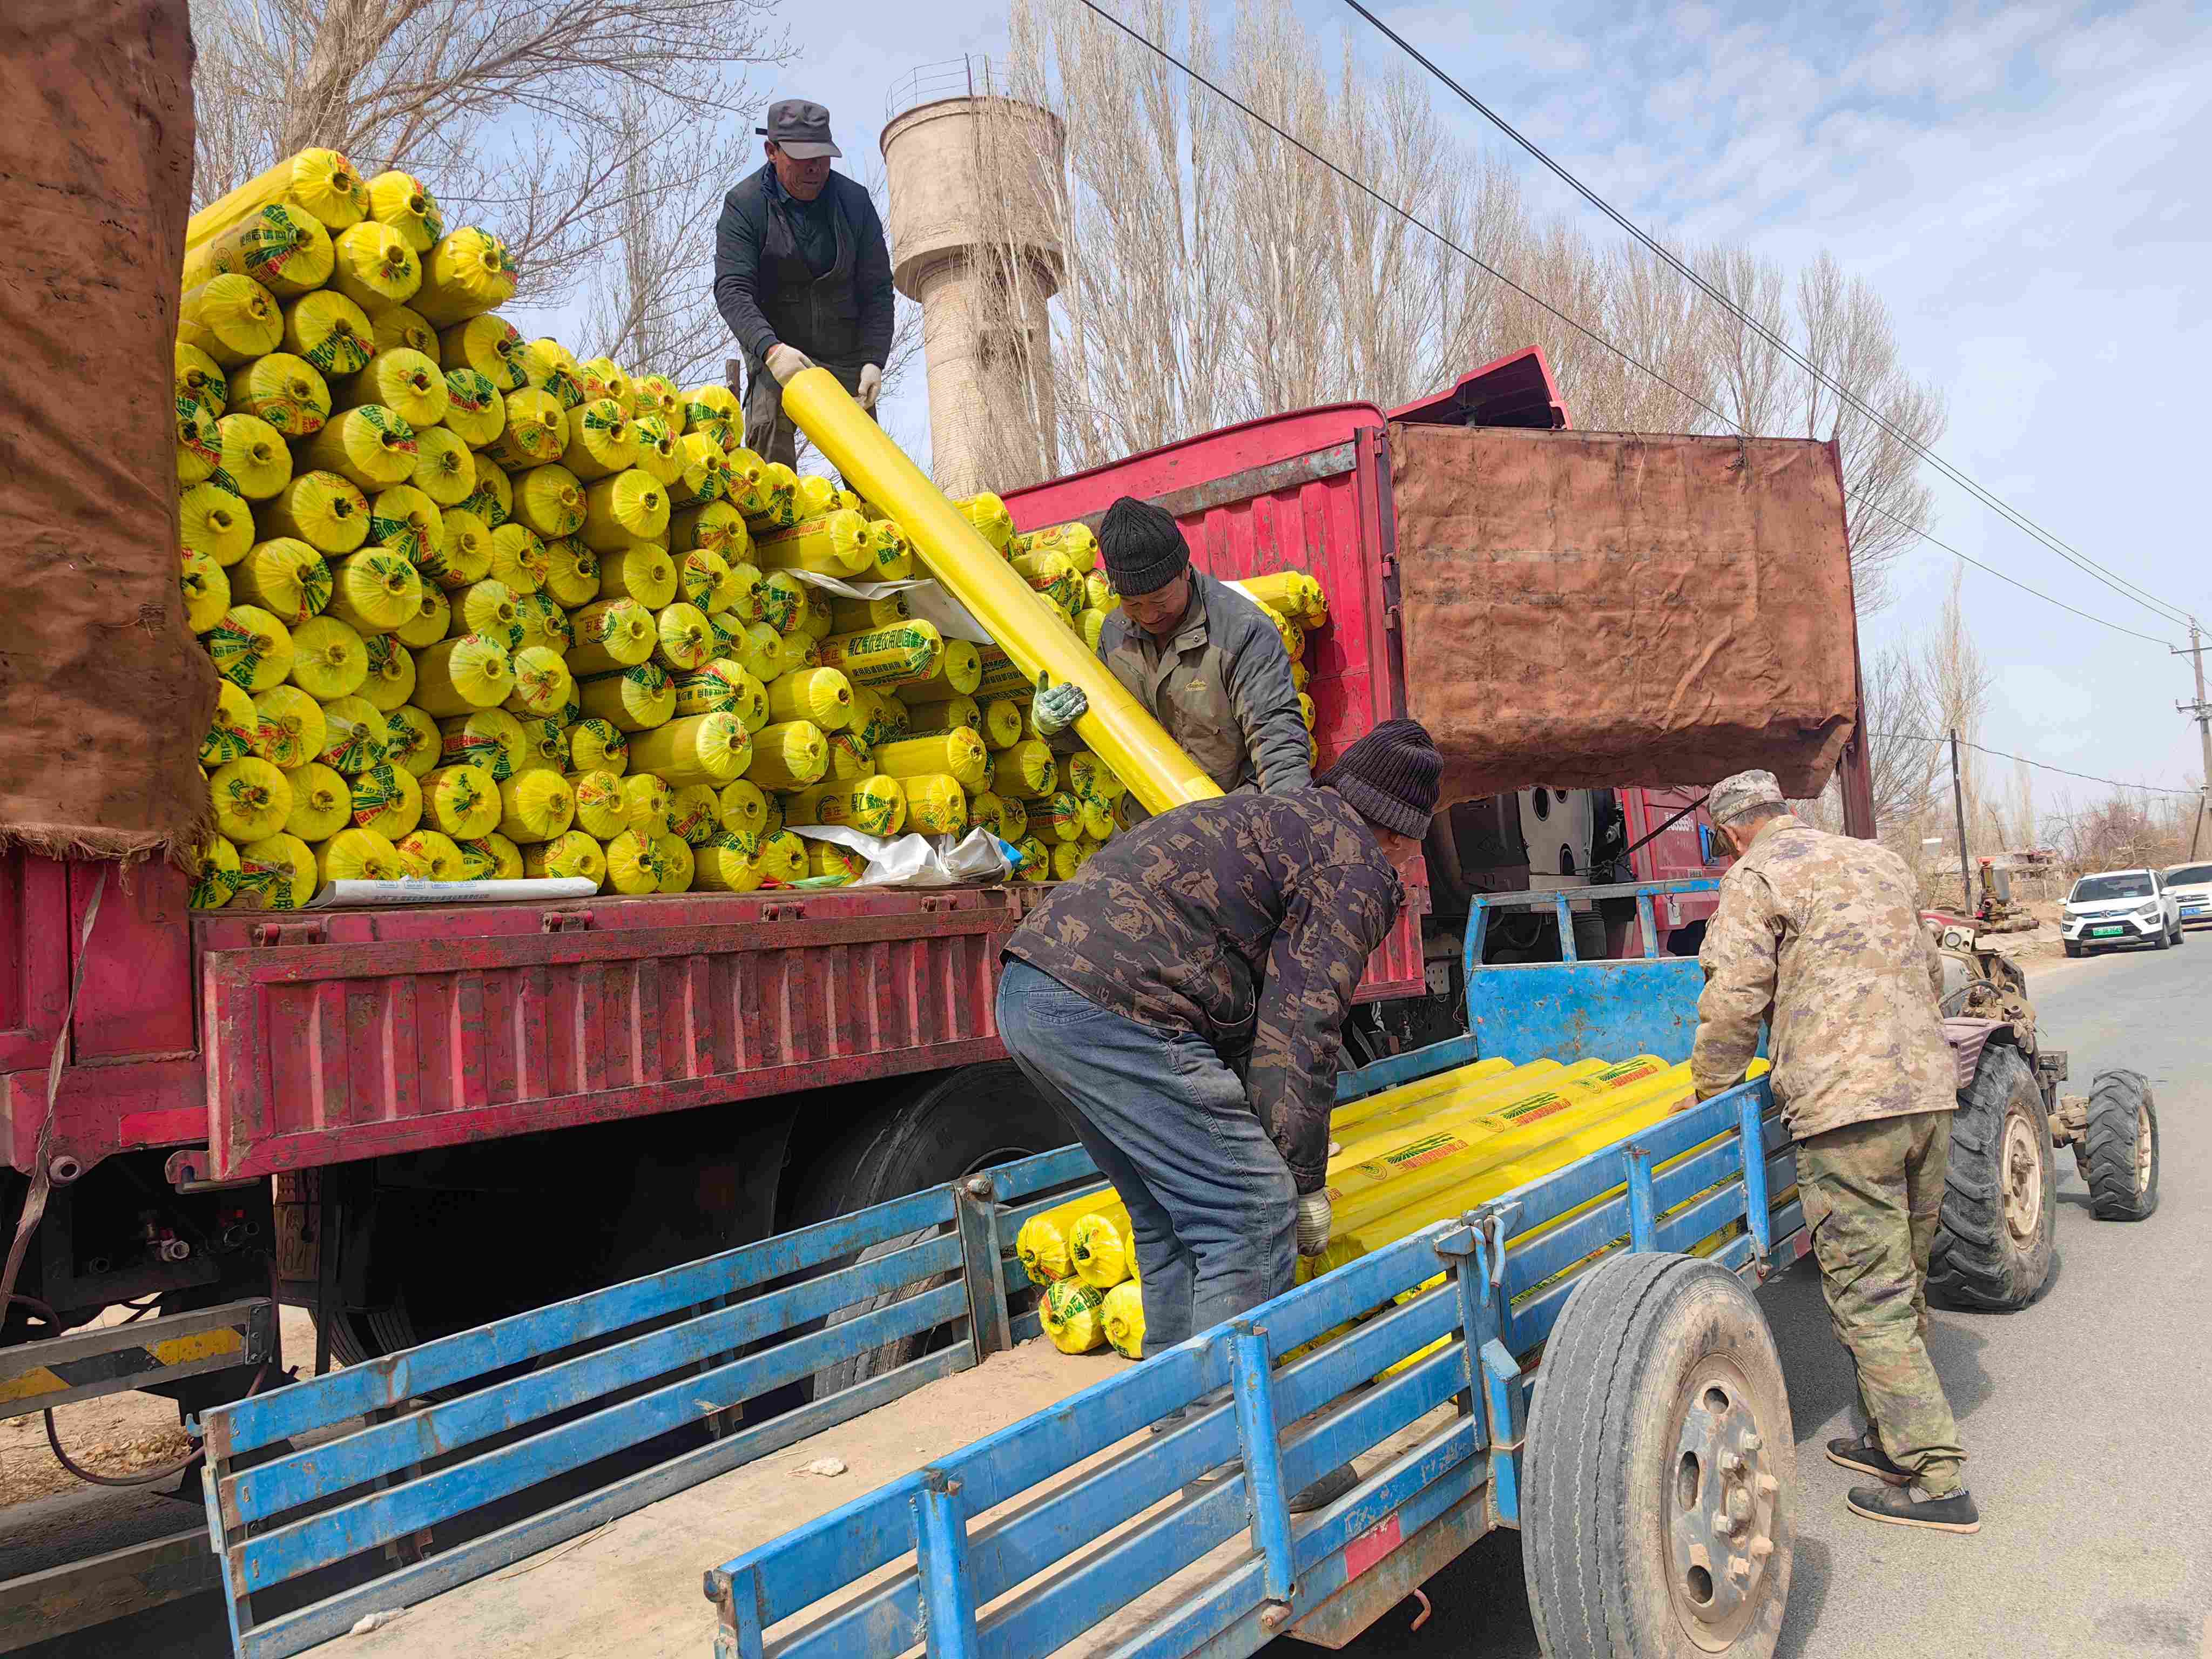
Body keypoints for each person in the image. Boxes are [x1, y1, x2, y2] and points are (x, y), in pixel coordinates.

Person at [996, 719, 1439, 1507]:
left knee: (1175, 1218)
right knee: (1248, 1213)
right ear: (1403, 834)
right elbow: (1301, 1028)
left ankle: (1182, 1434)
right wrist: (1300, 1183)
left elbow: (1250, 1009)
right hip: (1118, 1007)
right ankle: (1236, 1456)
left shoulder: (1275, 819)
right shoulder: (1353, 865)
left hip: (1034, 990)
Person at [1688, 768, 1977, 1534]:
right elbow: (1935, 969)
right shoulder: (1877, 860)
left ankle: (1937, 1476)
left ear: (1732, 831)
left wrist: (1709, 1086)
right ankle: (1886, 1439)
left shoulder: (1757, 876)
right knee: (1903, 1279)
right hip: (1928, 1095)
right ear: (1785, 810)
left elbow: (1735, 995)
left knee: (1870, 1297)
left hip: (1846, 1114)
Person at [1031, 496, 1311, 801]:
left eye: (1160, 600)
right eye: (1133, 603)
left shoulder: (1242, 632)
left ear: (1185, 571)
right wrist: (1054, 727)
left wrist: (1290, 820)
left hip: (1235, 818)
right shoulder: (1113, 637)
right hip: (1153, 822)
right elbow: (1102, 729)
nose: (1149, 615)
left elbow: (1278, 743)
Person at [711, 99, 894, 469]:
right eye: (801, 157)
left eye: (822, 158)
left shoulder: (854, 203)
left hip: (846, 355)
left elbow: (877, 291)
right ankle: (776, 526)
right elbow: (732, 289)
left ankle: (879, 526)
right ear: (772, 152)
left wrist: (874, 359)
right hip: (778, 349)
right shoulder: (744, 206)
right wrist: (770, 351)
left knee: (872, 465)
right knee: (767, 439)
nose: (814, 168)